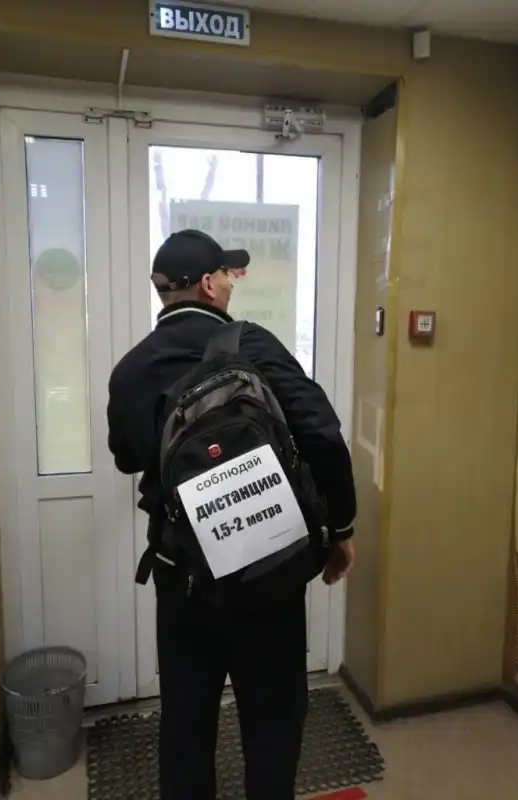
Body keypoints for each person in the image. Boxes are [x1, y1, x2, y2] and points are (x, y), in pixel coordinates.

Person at [107, 229, 356, 800]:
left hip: (182, 574)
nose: (231, 283)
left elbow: (127, 458)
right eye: (227, 273)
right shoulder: (253, 346)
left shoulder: (131, 368)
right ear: (208, 284)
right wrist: (339, 527)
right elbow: (322, 433)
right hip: (268, 571)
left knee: (186, 725)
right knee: (273, 723)